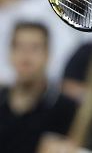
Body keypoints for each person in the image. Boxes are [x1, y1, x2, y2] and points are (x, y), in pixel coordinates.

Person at [0, 22, 77, 153]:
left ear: (47, 54)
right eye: (19, 47)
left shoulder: (66, 109)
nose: (26, 56)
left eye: (34, 48)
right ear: (10, 53)